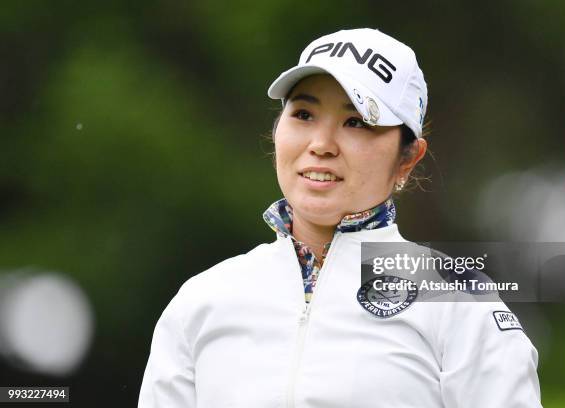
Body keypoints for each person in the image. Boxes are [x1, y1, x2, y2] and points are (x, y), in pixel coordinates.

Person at [138, 28, 542, 408]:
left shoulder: (456, 298)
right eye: (304, 115)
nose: (321, 145)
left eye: (356, 122)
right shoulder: (202, 299)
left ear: (408, 158)